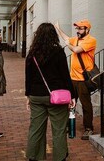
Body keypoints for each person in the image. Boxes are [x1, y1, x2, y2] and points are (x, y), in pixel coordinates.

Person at [25, 23, 76, 161]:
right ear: (53, 35)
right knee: (59, 130)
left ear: (38, 35)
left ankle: (34, 156)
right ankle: (60, 158)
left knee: (36, 128)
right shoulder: (58, 52)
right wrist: (72, 95)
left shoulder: (32, 53)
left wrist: (28, 95)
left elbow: (28, 77)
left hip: (36, 95)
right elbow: (65, 75)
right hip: (57, 96)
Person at [55, 19, 97, 140]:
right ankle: (69, 125)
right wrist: (58, 28)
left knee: (86, 105)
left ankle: (88, 128)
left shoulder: (91, 40)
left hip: (83, 80)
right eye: (77, 28)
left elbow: (76, 49)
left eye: (80, 28)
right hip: (72, 79)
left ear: (87, 29)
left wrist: (66, 43)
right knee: (70, 104)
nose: (78, 31)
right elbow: (67, 38)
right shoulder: (76, 39)